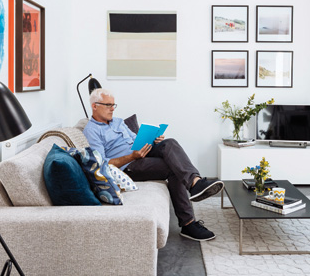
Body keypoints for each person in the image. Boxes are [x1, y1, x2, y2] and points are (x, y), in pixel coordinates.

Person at [84, 88, 224, 241]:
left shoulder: (117, 121)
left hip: (140, 153)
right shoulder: (91, 130)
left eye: (113, 105)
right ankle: (188, 223)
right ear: (94, 106)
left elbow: (135, 139)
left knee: (169, 143)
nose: (112, 108)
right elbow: (101, 163)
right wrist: (132, 156)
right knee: (172, 168)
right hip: (128, 165)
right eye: (108, 105)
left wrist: (152, 139)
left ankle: (195, 183)